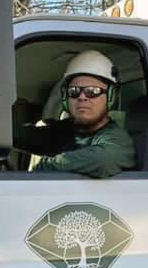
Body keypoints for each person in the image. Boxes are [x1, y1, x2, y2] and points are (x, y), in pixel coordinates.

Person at [13, 50, 136, 178]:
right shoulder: (66, 129)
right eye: (74, 91)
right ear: (66, 98)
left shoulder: (118, 140)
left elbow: (103, 160)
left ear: (110, 96)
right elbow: (26, 136)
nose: (82, 97)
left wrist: (42, 167)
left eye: (92, 91)